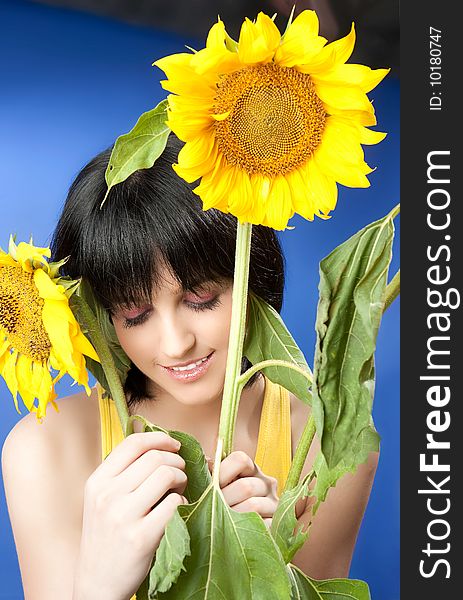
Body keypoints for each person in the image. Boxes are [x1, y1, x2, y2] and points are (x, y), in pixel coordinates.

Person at [2, 134, 378, 599]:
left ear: (249, 272)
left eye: (201, 298)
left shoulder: (327, 448)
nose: (176, 343)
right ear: (97, 316)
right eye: (135, 314)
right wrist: (100, 581)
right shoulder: (46, 450)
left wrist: (270, 565)